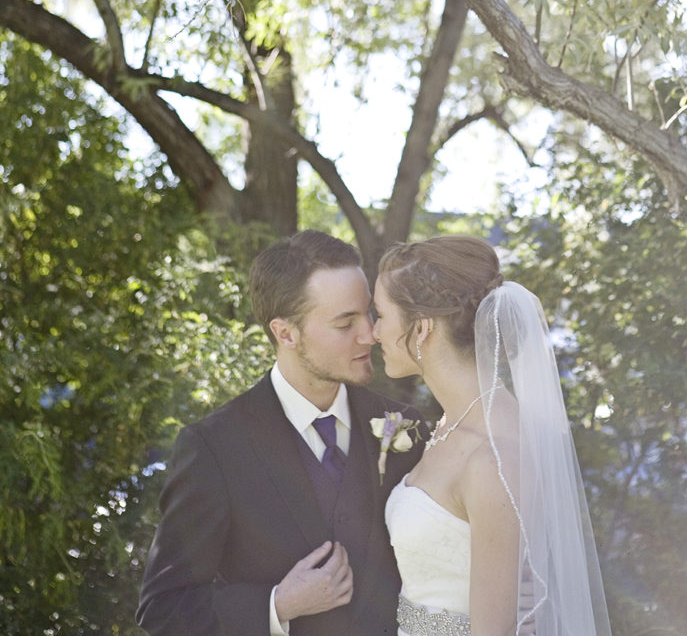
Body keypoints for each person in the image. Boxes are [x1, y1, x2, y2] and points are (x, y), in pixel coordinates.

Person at [137, 230, 426, 636]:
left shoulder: (407, 427)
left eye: (370, 314)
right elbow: (164, 608)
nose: (370, 334)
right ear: (285, 333)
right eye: (346, 323)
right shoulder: (214, 448)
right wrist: (277, 604)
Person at [372, 236, 612, 636]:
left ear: (422, 327)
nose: (374, 331)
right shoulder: (452, 423)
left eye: (381, 314)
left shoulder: (492, 457)